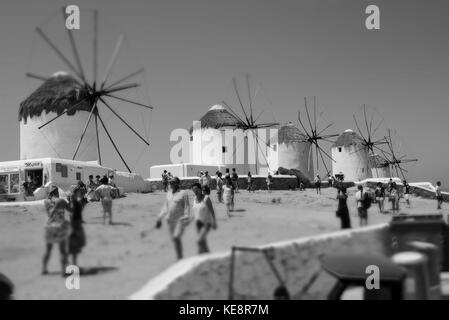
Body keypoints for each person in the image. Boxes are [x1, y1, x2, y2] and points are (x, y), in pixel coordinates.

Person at [156, 177, 191, 260]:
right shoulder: (168, 193)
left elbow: (186, 206)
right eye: (170, 182)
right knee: (174, 239)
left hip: (180, 220)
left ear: (177, 183)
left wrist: (186, 216)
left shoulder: (183, 193)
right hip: (170, 221)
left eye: (173, 182)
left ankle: (180, 258)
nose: (171, 184)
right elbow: (165, 207)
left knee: (176, 237)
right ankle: (179, 256)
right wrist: (160, 217)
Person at [42, 193, 72, 276]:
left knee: (48, 250)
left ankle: (44, 269)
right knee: (62, 251)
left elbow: (51, 213)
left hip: (49, 226)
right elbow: (71, 211)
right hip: (59, 226)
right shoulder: (61, 201)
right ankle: (63, 271)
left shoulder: (46, 202)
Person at [191, 183, 217, 254]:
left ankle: (199, 256)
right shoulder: (194, 199)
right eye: (193, 190)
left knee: (199, 241)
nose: (195, 191)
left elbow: (212, 211)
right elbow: (195, 211)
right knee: (203, 243)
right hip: (198, 224)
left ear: (200, 189)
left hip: (206, 223)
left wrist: (214, 222)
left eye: (197, 189)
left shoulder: (206, 198)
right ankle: (207, 255)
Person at [68, 193, 86, 267]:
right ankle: (74, 264)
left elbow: (72, 216)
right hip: (76, 225)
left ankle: (73, 264)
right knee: (74, 248)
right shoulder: (77, 204)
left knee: (74, 248)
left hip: (75, 225)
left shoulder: (74, 204)